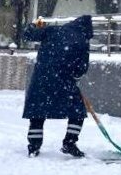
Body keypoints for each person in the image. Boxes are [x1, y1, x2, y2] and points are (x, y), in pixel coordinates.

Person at [22, 14, 93, 158]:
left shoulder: (53, 30)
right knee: (77, 112)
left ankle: (34, 146)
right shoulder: (83, 40)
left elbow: (28, 35)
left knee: (38, 112)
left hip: (41, 80)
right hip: (65, 82)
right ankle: (70, 142)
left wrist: (34, 26)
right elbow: (82, 67)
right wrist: (75, 77)